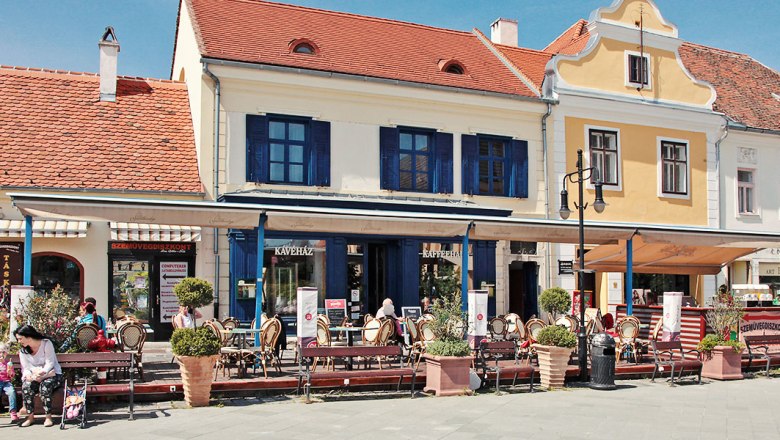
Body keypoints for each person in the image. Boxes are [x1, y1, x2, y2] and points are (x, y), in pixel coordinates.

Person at [13, 325, 62, 427]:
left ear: (29, 336)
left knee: (45, 386)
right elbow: (25, 368)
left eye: (20, 339)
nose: (19, 342)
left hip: (52, 375)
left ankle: (48, 417)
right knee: (26, 386)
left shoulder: (46, 343)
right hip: (34, 377)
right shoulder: (23, 351)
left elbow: (50, 363)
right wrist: (29, 376)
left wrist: (42, 373)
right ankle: (30, 417)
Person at [0, 343, 18, 422]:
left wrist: (10, 372)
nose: (1, 354)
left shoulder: (8, 363)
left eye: (3, 352)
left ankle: (13, 411)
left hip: (6, 382)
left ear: (6, 353)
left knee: (12, 392)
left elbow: (12, 376)